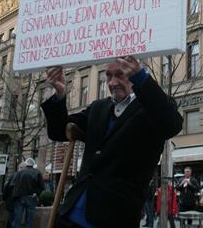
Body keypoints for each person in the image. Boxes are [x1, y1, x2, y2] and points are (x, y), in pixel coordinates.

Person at [43, 56, 183, 227]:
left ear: (134, 73)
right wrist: (59, 94)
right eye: (108, 76)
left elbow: (171, 125)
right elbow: (59, 131)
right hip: (69, 216)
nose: (112, 82)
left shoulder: (151, 108)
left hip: (114, 218)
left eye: (120, 75)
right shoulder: (98, 107)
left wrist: (141, 78)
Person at [11, 158, 45, 228]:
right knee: (30, 219)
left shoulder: (20, 172)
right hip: (31, 197)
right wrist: (36, 194)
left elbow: (12, 184)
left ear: (26, 164)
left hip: (19, 197)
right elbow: (42, 187)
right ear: (33, 164)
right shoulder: (37, 172)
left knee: (17, 218)